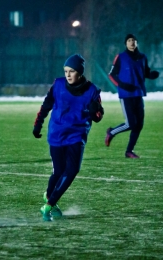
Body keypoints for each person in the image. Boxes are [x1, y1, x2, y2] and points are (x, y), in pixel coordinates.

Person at [33, 54, 104, 221]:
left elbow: (98, 116)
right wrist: (38, 125)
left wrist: (96, 111)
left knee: (71, 170)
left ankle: (49, 204)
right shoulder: (58, 85)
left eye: (72, 71)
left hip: (76, 137)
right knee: (58, 171)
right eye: (66, 71)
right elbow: (46, 105)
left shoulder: (92, 91)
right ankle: (51, 199)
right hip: (57, 134)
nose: (68, 75)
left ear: (79, 72)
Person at [106, 34, 159, 158]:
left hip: (138, 94)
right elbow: (111, 75)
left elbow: (145, 73)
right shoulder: (120, 57)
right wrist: (122, 85)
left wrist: (152, 75)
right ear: (126, 43)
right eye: (129, 41)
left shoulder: (142, 57)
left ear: (136, 43)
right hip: (126, 95)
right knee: (130, 123)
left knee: (139, 125)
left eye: (134, 40)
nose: (132, 42)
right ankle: (111, 132)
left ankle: (129, 151)